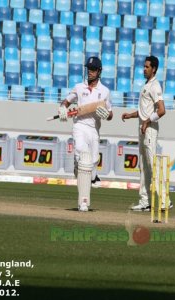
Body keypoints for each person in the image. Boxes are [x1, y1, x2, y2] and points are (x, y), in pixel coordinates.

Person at [58, 56, 113, 212]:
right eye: (88, 69)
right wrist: (62, 108)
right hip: (80, 126)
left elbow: (110, 114)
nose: (90, 72)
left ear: (99, 71)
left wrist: (105, 114)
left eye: (93, 69)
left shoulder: (105, 91)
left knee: (93, 162)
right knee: (83, 155)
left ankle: (79, 169)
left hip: (94, 129)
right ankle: (83, 203)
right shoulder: (79, 87)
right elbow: (66, 102)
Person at [121, 56, 173, 211]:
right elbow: (145, 111)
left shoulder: (155, 86)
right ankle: (145, 202)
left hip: (149, 130)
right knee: (143, 166)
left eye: (147, 67)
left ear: (154, 69)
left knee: (152, 165)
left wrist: (147, 122)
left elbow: (162, 110)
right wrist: (131, 115)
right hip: (143, 128)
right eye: (143, 66)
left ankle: (166, 200)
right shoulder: (146, 85)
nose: (144, 69)